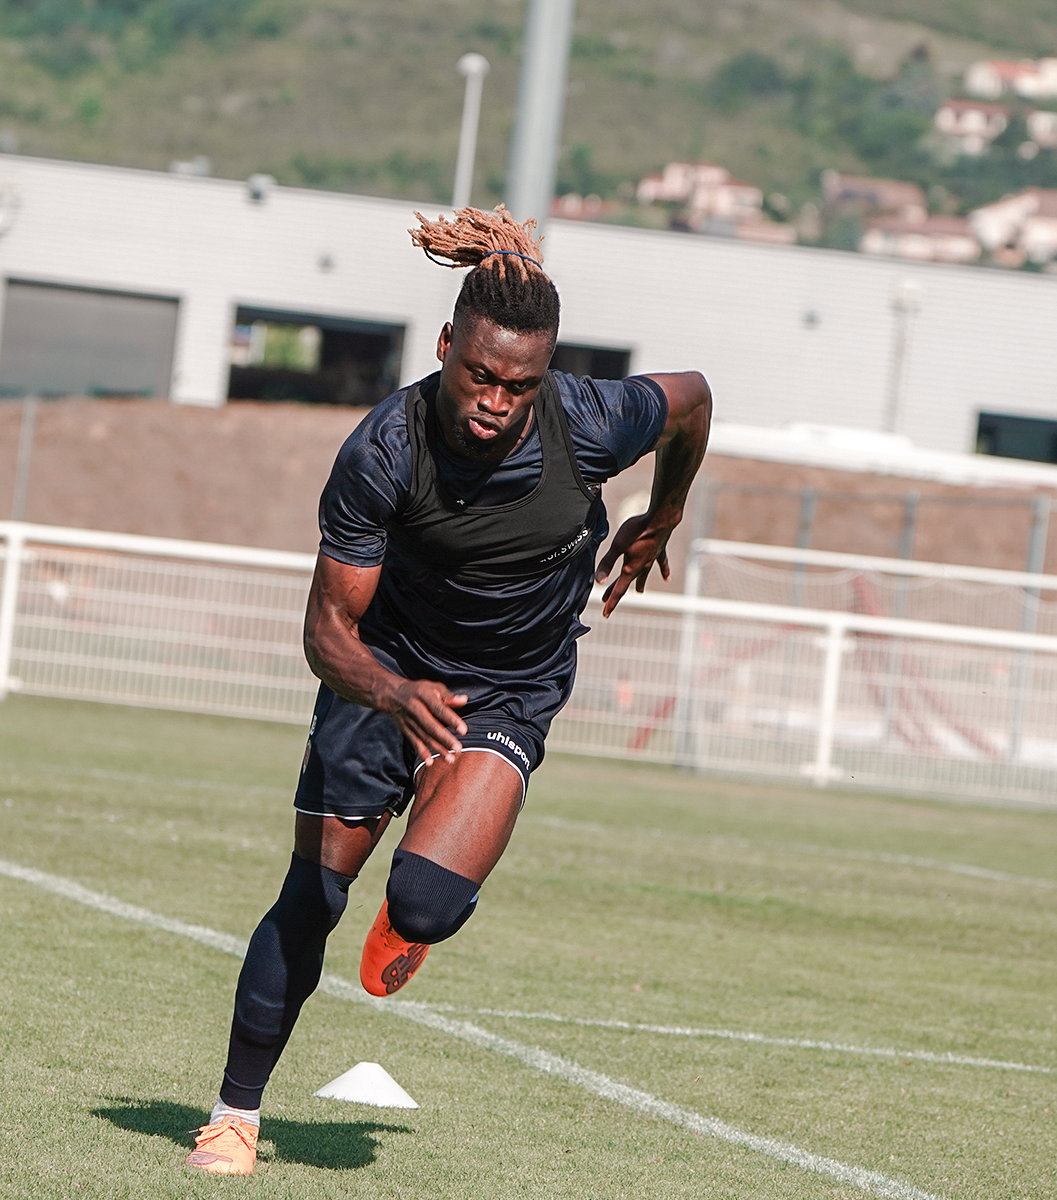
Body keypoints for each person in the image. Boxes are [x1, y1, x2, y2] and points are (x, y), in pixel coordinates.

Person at [186, 206, 712, 1175]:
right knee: (312, 894)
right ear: (445, 347)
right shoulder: (381, 453)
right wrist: (389, 696)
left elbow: (692, 398)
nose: (495, 401)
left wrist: (664, 509)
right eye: (479, 375)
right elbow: (323, 634)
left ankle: (428, 866)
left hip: (507, 690)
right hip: (382, 672)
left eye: (519, 384)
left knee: (423, 904)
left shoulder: (591, 422)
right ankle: (233, 1115)